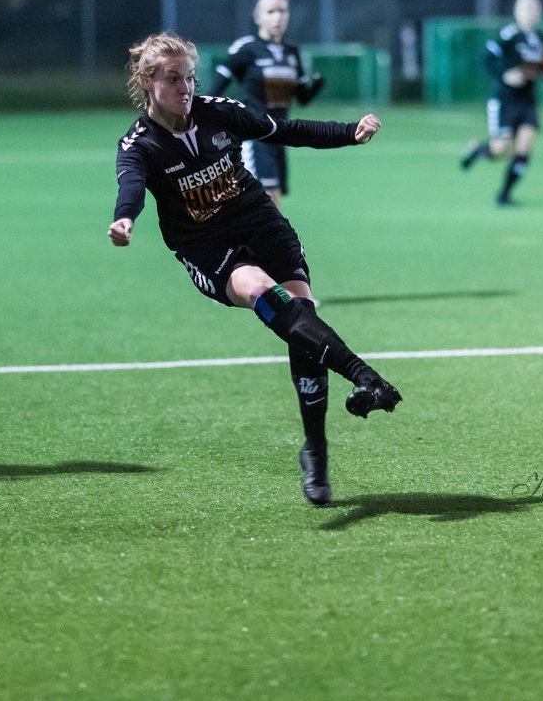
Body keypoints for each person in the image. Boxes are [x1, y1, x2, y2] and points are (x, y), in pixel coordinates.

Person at [108, 32, 401, 507]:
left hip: (260, 221)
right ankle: (363, 375)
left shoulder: (218, 111)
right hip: (207, 246)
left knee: (299, 318)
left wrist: (350, 132)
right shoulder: (139, 144)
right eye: (173, 79)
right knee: (268, 295)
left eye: (189, 77)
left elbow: (286, 131)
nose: (186, 87)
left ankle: (316, 451)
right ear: (147, 82)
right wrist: (124, 218)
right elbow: (132, 186)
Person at [208, 0, 324, 208]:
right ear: (257, 16)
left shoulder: (292, 52)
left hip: (280, 136)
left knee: (265, 202)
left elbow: (303, 99)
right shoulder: (247, 49)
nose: (278, 17)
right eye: (270, 11)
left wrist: (316, 86)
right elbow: (215, 91)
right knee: (267, 200)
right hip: (255, 136)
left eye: (282, 10)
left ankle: (242, 239)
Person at [460, 0, 543, 206]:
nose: (532, 12)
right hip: (505, 101)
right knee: (501, 150)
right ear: (517, 11)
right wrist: (505, 74)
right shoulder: (509, 35)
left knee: (523, 150)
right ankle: (479, 151)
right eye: (526, 7)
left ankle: (504, 194)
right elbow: (488, 57)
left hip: (528, 101)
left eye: (535, 7)